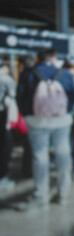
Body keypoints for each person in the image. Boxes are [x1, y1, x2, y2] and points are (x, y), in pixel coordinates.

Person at [16, 48, 74, 210]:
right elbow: (73, 95)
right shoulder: (64, 73)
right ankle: (63, 193)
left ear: (38, 58)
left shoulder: (28, 74)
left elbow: (20, 97)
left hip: (37, 121)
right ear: (54, 57)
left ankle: (41, 195)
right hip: (61, 120)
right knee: (63, 152)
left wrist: (28, 115)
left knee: (39, 155)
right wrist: (65, 110)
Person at [0, 62, 17, 192]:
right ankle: (3, 176)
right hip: (3, 116)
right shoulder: (6, 79)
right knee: (5, 146)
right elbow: (13, 95)